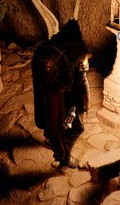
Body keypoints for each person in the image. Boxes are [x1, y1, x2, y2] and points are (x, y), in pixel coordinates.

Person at [32, 19, 90, 169]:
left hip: (47, 95)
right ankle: (65, 157)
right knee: (76, 128)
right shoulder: (78, 51)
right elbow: (81, 79)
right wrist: (85, 101)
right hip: (66, 98)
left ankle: (51, 139)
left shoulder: (45, 48)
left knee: (50, 121)